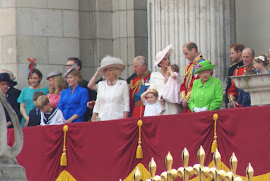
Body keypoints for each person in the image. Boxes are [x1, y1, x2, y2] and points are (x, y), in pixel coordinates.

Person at [89, 55, 130, 121]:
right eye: (106, 70)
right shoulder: (101, 85)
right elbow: (97, 104)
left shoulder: (122, 84)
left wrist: (124, 120)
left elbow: (126, 105)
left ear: (115, 72)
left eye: (110, 70)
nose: (108, 72)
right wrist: (93, 118)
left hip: (117, 119)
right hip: (102, 118)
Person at [149, 44, 180, 115]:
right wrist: (161, 96)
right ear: (160, 62)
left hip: (172, 105)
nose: (168, 61)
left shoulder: (173, 73)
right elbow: (152, 90)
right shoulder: (154, 75)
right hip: (160, 106)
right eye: (165, 59)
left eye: (168, 59)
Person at [181, 42, 208, 113]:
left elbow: (199, 84)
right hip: (188, 103)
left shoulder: (204, 64)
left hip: (199, 101)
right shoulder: (189, 66)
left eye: (186, 54)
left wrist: (187, 99)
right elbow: (184, 84)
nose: (185, 56)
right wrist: (183, 98)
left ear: (193, 50)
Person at [225, 43, 245, 108]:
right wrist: (229, 101)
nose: (230, 56)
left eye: (232, 53)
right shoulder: (232, 68)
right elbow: (230, 87)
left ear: (239, 53)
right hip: (236, 102)